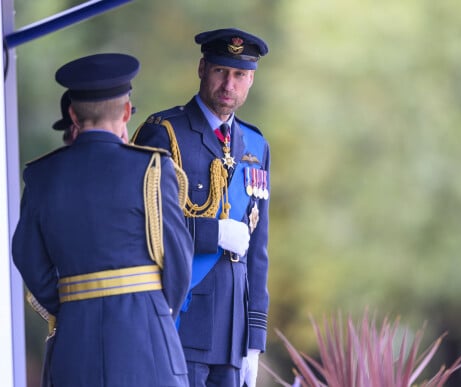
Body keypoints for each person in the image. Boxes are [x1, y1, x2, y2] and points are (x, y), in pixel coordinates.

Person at [12, 52, 194, 387]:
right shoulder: (152, 168)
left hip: (74, 341)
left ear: (72, 114)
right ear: (126, 111)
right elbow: (179, 261)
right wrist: (153, 310)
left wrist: (69, 302)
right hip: (146, 337)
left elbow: (26, 255)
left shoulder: (41, 175)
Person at [131, 28, 271, 387]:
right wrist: (213, 234)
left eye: (239, 75)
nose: (229, 84)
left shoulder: (255, 144)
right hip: (182, 318)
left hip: (233, 331)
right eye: (221, 71)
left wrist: (254, 340)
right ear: (202, 68)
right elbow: (143, 225)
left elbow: (258, 249)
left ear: (251, 79)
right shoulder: (164, 133)